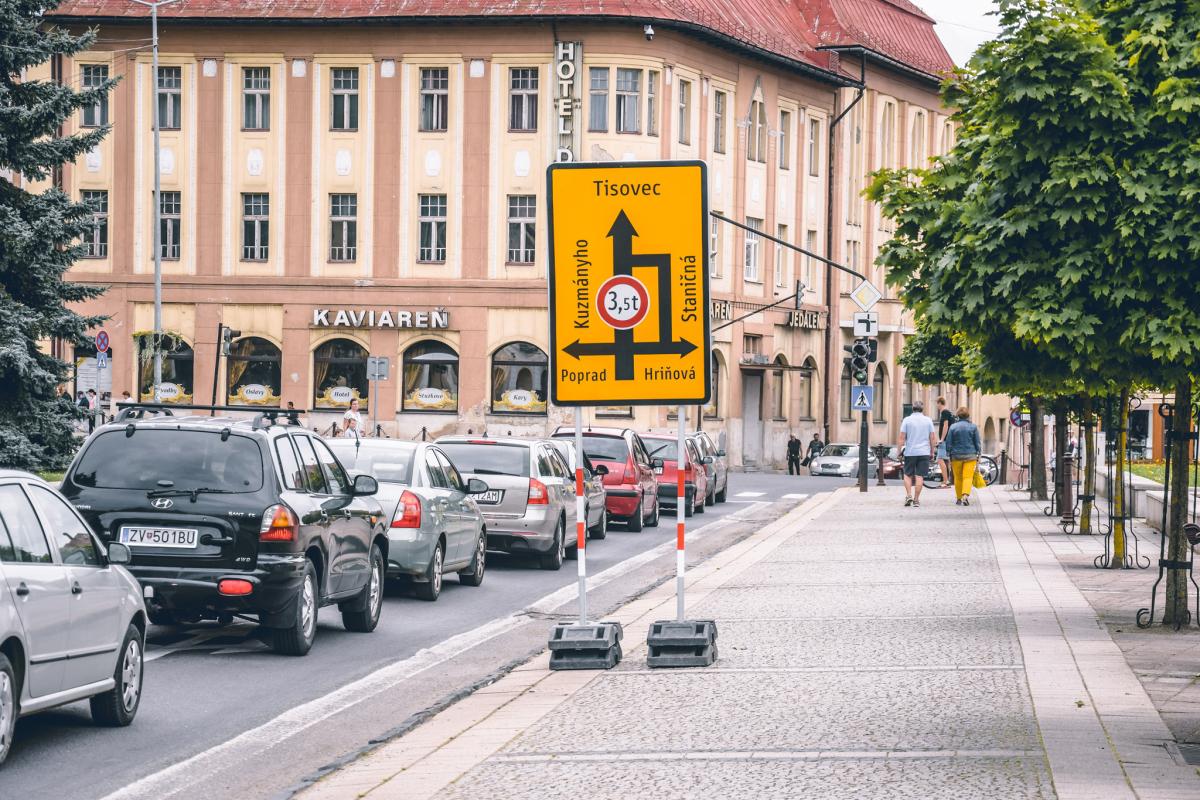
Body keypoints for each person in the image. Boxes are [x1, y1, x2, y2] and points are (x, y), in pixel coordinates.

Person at [898, 399, 937, 508]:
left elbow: (901, 437)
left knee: (907, 474)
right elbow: (932, 437)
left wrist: (899, 451)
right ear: (922, 409)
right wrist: (932, 451)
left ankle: (909, 495)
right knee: (919, 476)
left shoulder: (907, 420)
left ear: (912, 408)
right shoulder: (928, 420)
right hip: (924, 452)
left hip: (910, 452)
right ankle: (916, 500)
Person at [946, 406, 983, 505]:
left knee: (958, 477)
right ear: (968, 415)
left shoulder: (953, 427)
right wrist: (979, 454)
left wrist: (948, 454)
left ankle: (958, 498)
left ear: (958, 415)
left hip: (956, 456)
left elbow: (948, 442)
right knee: (968, 477)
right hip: (970, 456)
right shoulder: (973, 427)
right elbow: (977, 442)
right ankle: (965, 495)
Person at [935, 396, 954, 488]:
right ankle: (947, 480)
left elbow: (946, 425)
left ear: (939, 403)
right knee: (946, 461)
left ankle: (945, 481)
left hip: (945, 440)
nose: (936, 406)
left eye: (937, 403)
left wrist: (942, 439)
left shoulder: (944, 412)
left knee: (940, 459)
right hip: (949, 439)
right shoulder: (949, 412)